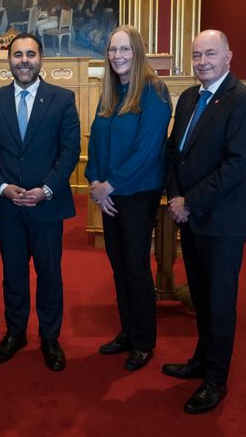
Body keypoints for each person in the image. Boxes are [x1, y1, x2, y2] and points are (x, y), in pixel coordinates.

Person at [162, 29, 246, 414]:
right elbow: (174, 153)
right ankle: (201, 360)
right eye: (196, 55)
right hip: (189, 217)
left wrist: (190, 201)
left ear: (228, 57)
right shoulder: (190, 97)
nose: (202, 62)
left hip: (222, 221)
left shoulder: (245, 100)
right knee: (201, 297)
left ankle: (216, 380)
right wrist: (175, 196)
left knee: (219, 302)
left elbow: (237, 165)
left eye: (210, 54)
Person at [0, 32, 80, 371]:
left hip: (47, 205)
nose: (24, 61)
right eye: (17, 54)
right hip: (8, 206)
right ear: (9, 60)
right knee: (13, 274)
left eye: (30, 54)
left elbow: (70, 151)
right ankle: (15, 333)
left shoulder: (62, 99)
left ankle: (50, 338)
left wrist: (46, 189)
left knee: (49, 275)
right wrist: (3, 187)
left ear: (41, 58)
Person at [86, 25, 172, 372]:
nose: (117, 55)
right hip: (109, 192)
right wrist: (94, 181)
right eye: (112, 49)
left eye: (124, 49)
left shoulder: (154, 90)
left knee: (135, 267)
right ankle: (127, 331)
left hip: (137, 193)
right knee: (118, 265)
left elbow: (148, 149)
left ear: (137, 52)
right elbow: (96, 141)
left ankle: (144, 341)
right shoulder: (111, 91)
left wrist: (111, 185)